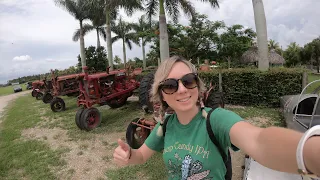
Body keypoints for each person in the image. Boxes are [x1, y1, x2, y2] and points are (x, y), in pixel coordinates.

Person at [113, 56, 320, 179]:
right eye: (170, 85)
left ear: (197, 85)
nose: (182, 89)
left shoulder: (216, 120)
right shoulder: (166, 126)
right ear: (162, 95)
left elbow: (259, 141)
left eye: (188, 81)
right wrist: (128, 155)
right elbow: (140, 156)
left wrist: (308, 152)